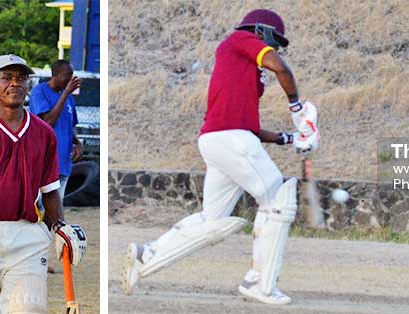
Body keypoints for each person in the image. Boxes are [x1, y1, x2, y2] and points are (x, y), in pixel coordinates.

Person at [122, 9, 319, 305]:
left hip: (220, 140)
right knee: (278, 198)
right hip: (229, 139)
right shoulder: (241, 39)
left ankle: (147, 255)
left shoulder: (243, 74)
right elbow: (281, 67)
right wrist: (296, 108)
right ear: (261, 32)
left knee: (211, 220)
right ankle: (260, 283)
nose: (275, 49)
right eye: (274, 41)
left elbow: (250, 129)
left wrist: (292, 137)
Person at [0, 54, 87, 313]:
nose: (15, 83)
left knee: (28, 308)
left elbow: (51, 192)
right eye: (7, 77)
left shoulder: (44, 134)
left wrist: (59, 226)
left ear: (28, 85)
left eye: (21, 78)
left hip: (27, 237)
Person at [29, 60, 83, 201]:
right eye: (67, 75)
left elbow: (70, 125)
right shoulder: (40, 91)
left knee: (56, 211)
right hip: (45, 161)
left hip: (64, 162)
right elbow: (48, 122)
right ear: (56, 75)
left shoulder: (69, 97)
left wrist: (77, 143)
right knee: (39, 206)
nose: (71, 79)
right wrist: (65, 93)